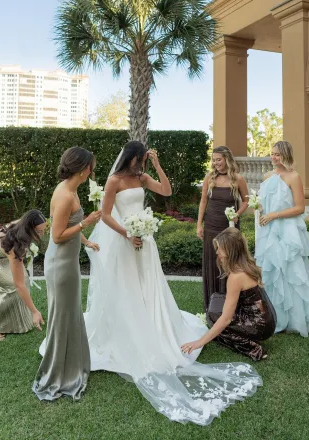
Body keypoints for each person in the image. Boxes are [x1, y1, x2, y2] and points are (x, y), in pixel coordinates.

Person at [84, 141, 262, 426]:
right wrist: (127, 234)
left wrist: (156, 165)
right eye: (143, 158)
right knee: (128, 287)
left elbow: (166, 190)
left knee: (149, 286)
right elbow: (105, 215)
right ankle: (131, 326)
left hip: (145, 242)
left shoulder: (142, 177)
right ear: (133, 157)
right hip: (125, 240)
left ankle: (152, 322)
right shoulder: (115, 180)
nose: (144, 162)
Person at [33, 147, 101, 401]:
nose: (92, 172)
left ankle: (70, 365)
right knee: (62, 316)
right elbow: (57, 235)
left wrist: (86, 241)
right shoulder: (65, 196)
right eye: (92, 167)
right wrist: (87, 222)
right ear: (84, 170)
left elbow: (68, 226)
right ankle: (57, 374)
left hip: (67, 261)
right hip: (60, 265)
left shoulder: (69, 189)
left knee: (70, 312)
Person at [181, 227, 276, 361]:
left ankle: (253, 348)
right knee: (216, 301)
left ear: (231, 250)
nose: (217, 252)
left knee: (215, 316)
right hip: (268, 319)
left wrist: (199, 342)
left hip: (259, 326)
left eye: (220, 248)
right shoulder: (247, 265)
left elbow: (226, 319)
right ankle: (220, 332)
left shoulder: (236, 276)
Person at [255, 140, 309, 337]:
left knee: (289, 271)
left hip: (286, 229)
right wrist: (260, 209)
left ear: (286, 155)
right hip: (267, 229)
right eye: (272, 154)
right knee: (271, 271)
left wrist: (274, 215)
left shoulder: (294, 177)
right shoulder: (267, 176)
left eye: (278, 154)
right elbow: (265, 202)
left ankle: (293, 319)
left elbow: (300, 207)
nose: (273, 157)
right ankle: (274, 317)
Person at [197, 146, 249, 310]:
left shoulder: (238, 179)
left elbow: (246, 200)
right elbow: (203, 202)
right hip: (211, 226)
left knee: (230, 262)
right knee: (213, 262)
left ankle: (232, 305)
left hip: (229, 228)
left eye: (218, 159)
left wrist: (237, 214)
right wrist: (199, 224)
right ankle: (212, 306)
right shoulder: (209, 178)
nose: (216, 163)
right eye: (214, 160)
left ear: (227, 159)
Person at [0, 210, 46, 341]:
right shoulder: (15, 247)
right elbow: (19, 285)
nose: (42, 234)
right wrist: (35, 311)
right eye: (39, 232)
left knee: (25, 280)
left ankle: (22, 317)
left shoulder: (22, 224)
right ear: (29, 229)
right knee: (14, 286)